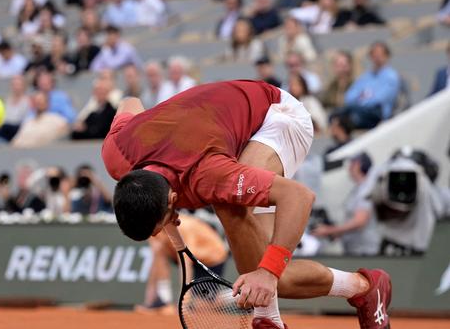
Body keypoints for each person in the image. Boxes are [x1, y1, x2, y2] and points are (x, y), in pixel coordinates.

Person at [102, 80, 392, 329]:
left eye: (159, 226)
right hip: (223, 124)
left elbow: (299, 196)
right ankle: (364, 288)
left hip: (276, 115)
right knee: (273, 270)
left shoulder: (207, 175)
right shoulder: (117, 153)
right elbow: (131, 100)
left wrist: (267, 274)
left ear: (172, 201)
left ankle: (267, 319)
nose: (162, 231)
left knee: (239, 221)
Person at [137, 214, 228, 311]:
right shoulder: (152, 229)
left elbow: (185, 263)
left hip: (211, 259)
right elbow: (156, 261)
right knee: (159, 250)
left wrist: (184, 303)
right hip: (187, 256)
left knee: (200, 306)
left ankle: (234, 296)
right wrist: (149, 301)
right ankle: (163, 300)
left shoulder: (182, 227)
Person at [312, 152, 380, 255]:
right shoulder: (359, 189)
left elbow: (359, 221)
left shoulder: (366, 190)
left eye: (352, 163)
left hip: (364, 251)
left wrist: (329, 230)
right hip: (356, 249)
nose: (349, 167)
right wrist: (336, 232)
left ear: (358, 165)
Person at [333, 42, 400, 129]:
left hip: (378, 114)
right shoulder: (366, 77)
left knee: (351, 117)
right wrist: (362, 101)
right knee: (335, 116)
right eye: (374, 55)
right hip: (359, 110)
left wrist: (361, 101)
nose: (377, 57)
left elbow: (379, 100)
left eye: (380, 54)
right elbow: (349, 97)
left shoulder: (391, 77)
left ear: (386, 56)